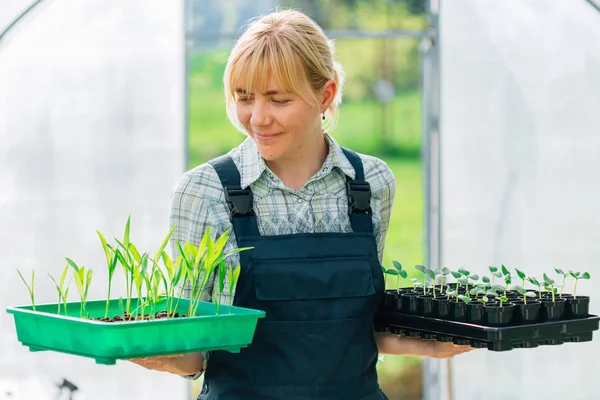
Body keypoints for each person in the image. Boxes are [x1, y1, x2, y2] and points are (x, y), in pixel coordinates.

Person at [130, 9, 472, 399]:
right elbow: (194, 351)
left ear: (324, 95)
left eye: (278, 100)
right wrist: (154, 352)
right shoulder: (205, 191)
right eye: (244, 98)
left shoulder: (370, 184)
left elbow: (352, 328)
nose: (258, 118)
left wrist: (429, 345)